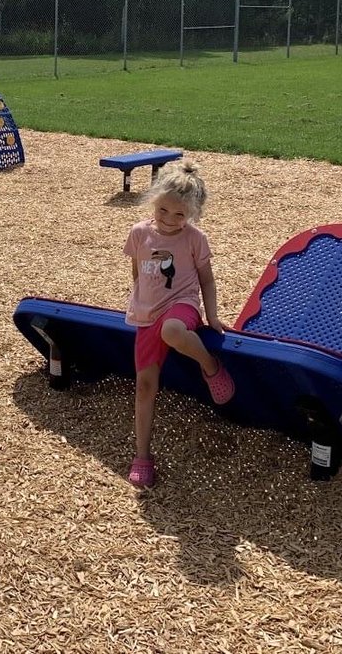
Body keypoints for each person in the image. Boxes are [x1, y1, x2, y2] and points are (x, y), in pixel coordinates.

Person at [123, 158, 234, 488]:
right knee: (144, 386)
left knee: (173, 331)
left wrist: (211, 315)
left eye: (180, 215)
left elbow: (207, 280)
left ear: (193, 214)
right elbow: (137, 273)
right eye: (163, 211)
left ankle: (211, 365)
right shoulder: (139, 233)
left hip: (181, 306)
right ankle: (142, 455)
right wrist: (137, 303)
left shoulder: (194, 239)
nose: (170, 220)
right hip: (147, 313)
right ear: (154, 202)